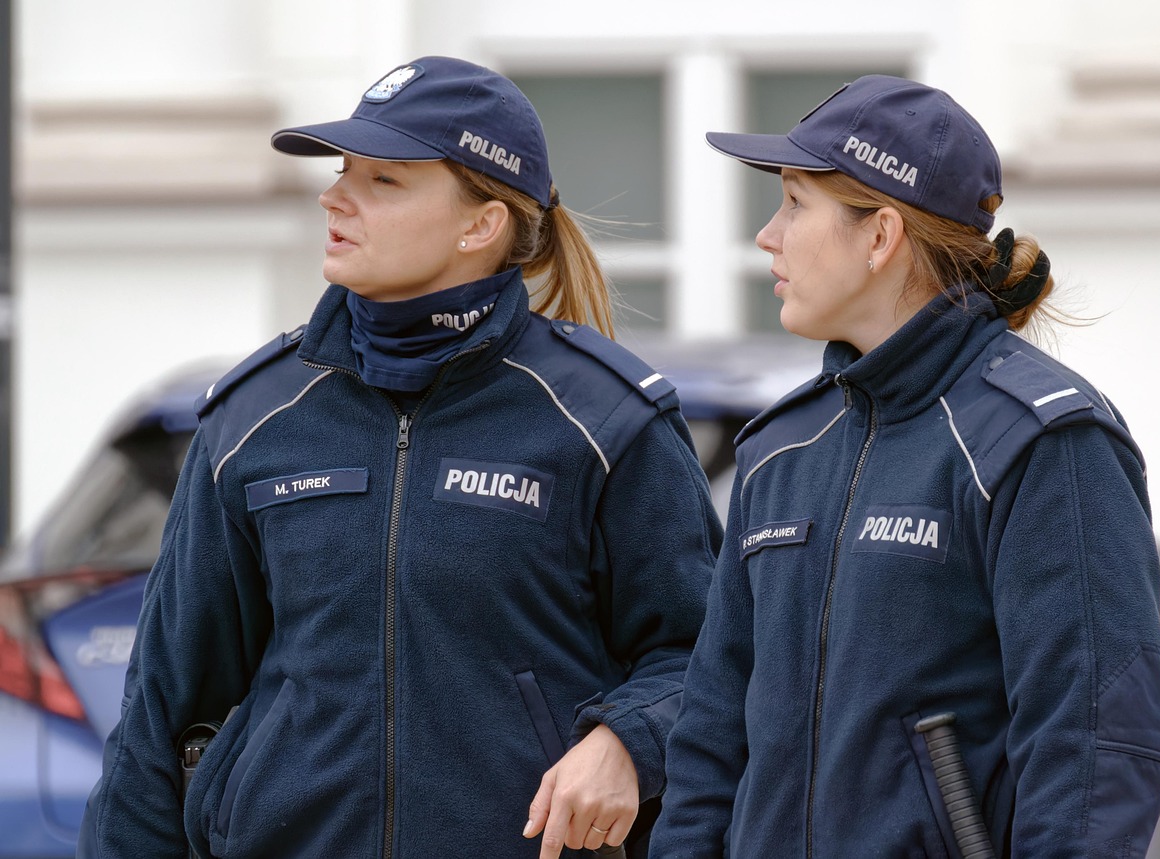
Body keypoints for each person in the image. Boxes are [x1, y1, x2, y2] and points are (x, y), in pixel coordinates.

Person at [78, 56, 722, 859]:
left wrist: (627, 738)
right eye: (344, 170)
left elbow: (711, 655)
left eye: (383, 180)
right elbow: (161, 708)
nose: (333, 196)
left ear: (479, 224)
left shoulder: (604, 419)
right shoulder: (254, 418)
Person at [648, 75, 1160, 857]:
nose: (767, 234)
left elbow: (1095, 747)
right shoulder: (779, 449)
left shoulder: (1041, 440)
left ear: (881, 234)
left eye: (795, 203)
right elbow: (710, 739)